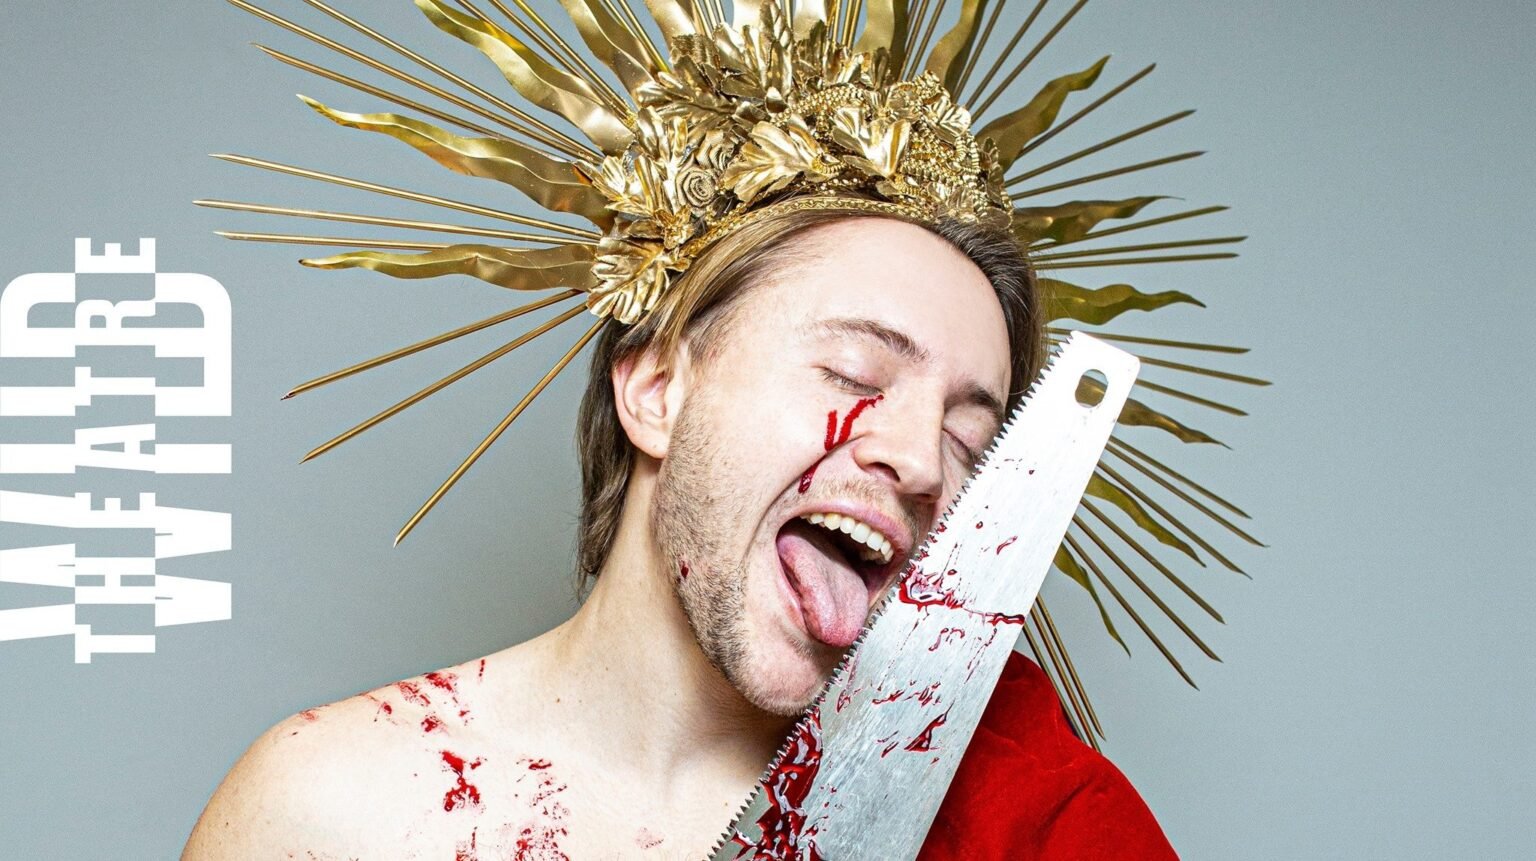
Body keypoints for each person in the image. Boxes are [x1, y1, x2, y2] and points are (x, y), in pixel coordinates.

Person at [182, 209, 1175, 858]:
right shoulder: (329, 805)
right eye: (855, 375)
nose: (922, 461)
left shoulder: (1033, 819)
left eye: (970, 440)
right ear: (658, 390)